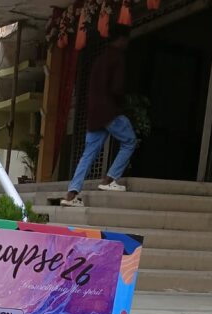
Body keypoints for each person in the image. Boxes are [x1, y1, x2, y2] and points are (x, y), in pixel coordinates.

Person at [62, 25, 137, 207]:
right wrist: (124, 103)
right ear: (122, 39)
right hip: (109, 111)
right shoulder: (117, 57)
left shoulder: (99, 59)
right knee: (129, 141)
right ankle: (109, 179)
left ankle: (71, 194)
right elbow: (117, 88)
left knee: (88, 154)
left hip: (94, 115)